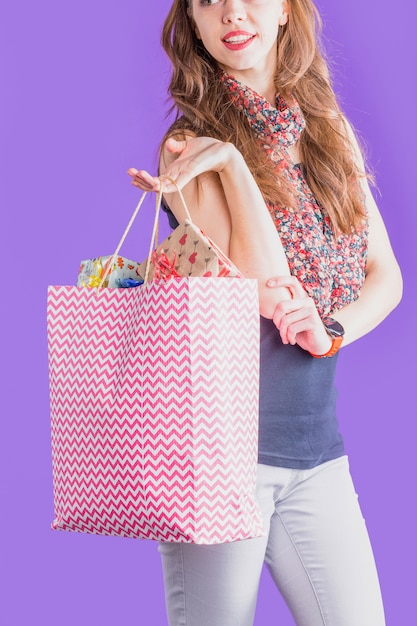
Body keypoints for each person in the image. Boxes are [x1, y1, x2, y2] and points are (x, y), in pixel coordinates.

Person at [128, 1, 403, 624]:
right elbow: (263, 286)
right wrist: (229, 161)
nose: (230, 11)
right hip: (221, 457)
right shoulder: (189, 146)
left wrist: (331, 332)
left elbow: (385, 277)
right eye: (206, 0)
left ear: (285, 10)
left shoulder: (328, 129)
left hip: (315, 451)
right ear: (192, 25)